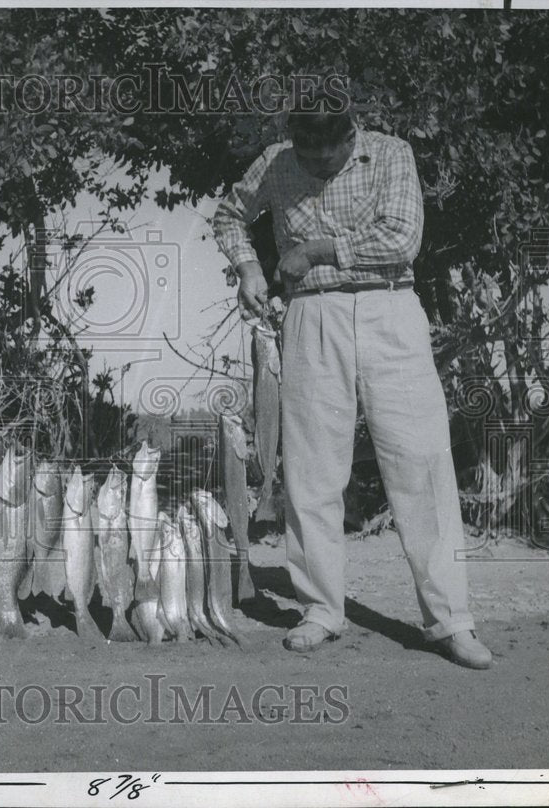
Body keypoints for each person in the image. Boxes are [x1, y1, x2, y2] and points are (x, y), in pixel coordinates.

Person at [212, 87, 492, 669]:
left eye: (328, 156)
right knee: (314, 470)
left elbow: (400, 239)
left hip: (390, 309)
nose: (316, 166)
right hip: (312, 315)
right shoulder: (275, 161)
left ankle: (449, 621)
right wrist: (246, 267)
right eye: (306, 155)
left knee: (420, 464)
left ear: (350, 134)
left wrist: (316, 249)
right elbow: (231, 212)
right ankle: (320, 609)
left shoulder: (392, 154)